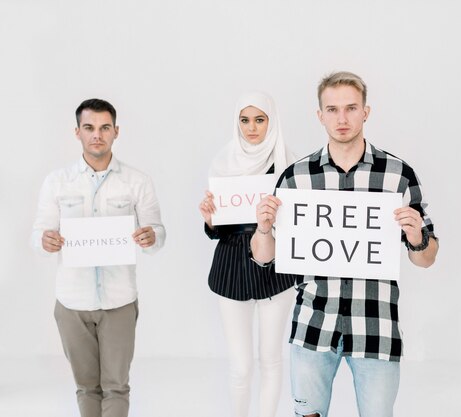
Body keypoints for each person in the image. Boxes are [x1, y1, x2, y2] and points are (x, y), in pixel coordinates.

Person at [251, 71, 439, 417]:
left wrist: (416, 237)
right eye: (332, 109)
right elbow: (265, 258)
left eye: (351, 108)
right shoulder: (296, 176)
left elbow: (426, 259)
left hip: (376, 323)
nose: (342, 118)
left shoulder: (398, 174)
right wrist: (263, 230)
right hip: (313, 322)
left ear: (366, 112)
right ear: (319, 115)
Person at [31, 98, 166, 417]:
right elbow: (38, 233)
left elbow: (157, 233)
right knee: (86, 387)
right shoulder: (57, 182)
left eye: (105, 127)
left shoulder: (137, 181)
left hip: (119, 301)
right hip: (72, 302)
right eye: (89, 127)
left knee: (117, 386)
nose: (97, 135)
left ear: (116, 132)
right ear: (77, 132)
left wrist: (152, 236)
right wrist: (44, 240)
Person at [199, 92, 298, 417]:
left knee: (270, 358)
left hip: (276, 268)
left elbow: (298, 222)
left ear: (271, 121)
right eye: (245, 120)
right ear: (236, 122)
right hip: (231, 266)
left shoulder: (288, 163)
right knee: (240, 366)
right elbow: (219, 227)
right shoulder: (223, 161)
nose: (251, 128)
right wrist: (210, 220)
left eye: (260, 119)